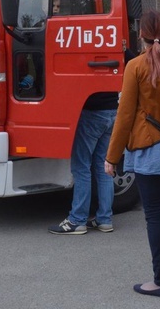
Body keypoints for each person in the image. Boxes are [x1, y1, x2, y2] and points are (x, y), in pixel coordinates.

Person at [104, 9, 160, 298]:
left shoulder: (135, 66)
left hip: (149, 151)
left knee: (155, 216)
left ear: (139, 34)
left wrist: (112, 157)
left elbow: (124, 115)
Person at [48, 91, 119, 235]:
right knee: (103, 167)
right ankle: (104, 219)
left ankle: (77, 220)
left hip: (92, 112)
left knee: (81, 167)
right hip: (112, 110)